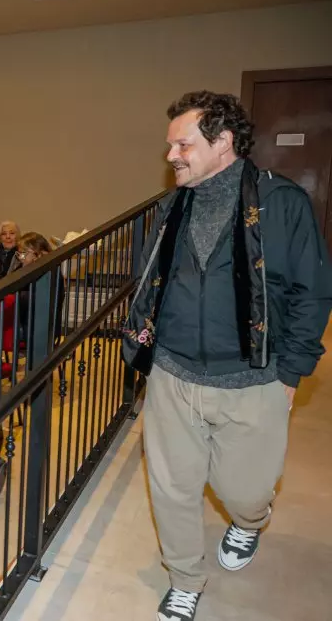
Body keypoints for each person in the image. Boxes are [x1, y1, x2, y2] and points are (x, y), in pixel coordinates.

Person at [122, 90, 332, 621]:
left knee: (246, 489)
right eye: (170, 145)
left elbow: (312, 291)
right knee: (171, 488)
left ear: (224, 142)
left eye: (183, 144)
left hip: (252, 376)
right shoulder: (170, 207)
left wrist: (292, 371)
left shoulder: (281, 203)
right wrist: (142, 347)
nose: (171, 155)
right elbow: (152, 281)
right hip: (172, 371)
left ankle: (248, 522)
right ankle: (185, 577)